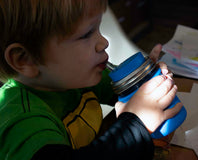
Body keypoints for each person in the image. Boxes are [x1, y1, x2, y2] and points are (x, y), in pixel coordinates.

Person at [0, 0, 182, 160]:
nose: (104, 42)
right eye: (86, 34)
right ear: (25, 59)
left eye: (98, 28)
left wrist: (144, 81)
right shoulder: (20, 122)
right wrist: (135, 124)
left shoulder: (73, 78)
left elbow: (122, 94)